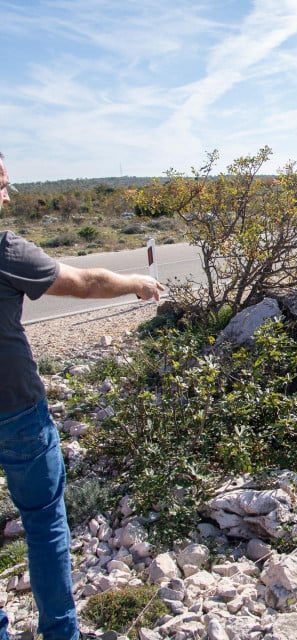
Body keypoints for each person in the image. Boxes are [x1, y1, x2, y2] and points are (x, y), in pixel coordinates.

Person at [0, 153, 164, 640]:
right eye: (2, 184)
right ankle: (60, 632)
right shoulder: (6, 250)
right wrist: (138, 282)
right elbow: (84, 282)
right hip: (16, 411)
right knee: (46, 524)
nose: (8, 196)